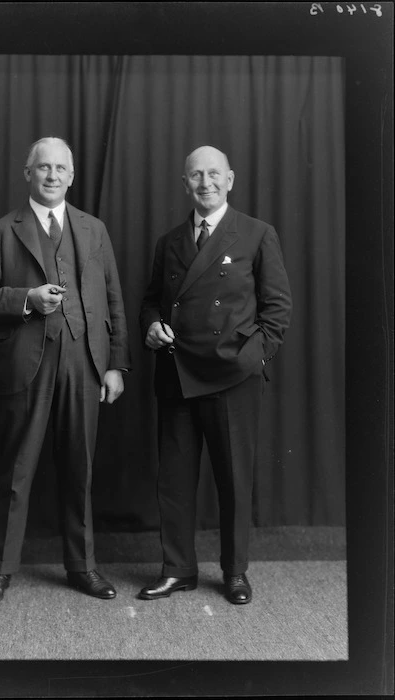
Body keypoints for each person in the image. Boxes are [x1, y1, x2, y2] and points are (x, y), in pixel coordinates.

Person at [0, 137, 131, 604]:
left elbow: (113, 299)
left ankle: (82, 567)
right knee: (17, 471)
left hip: (85, 361)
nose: (52, 175)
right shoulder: (3, 230)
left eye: (61, 168)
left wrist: (116, 365)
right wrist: (25, 300)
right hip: (26, 363)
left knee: (80, 468)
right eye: (43, 168)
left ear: (72, 176)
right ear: (28, 174)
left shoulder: (94, 229)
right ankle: (0, 570)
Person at [138, 145, 292, 604]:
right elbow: (150, 298)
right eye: (195, 176)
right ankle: (178, 569)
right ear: (185, 183)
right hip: (177, 372)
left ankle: (235, 571)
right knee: (175, 480)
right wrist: (149, 325)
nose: (204, 183)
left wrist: (248, 360)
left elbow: (278, 310)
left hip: (231, 376)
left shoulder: (257, 234)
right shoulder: (170, 242)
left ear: (230, 180)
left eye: (213, 175)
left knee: (233, 478)